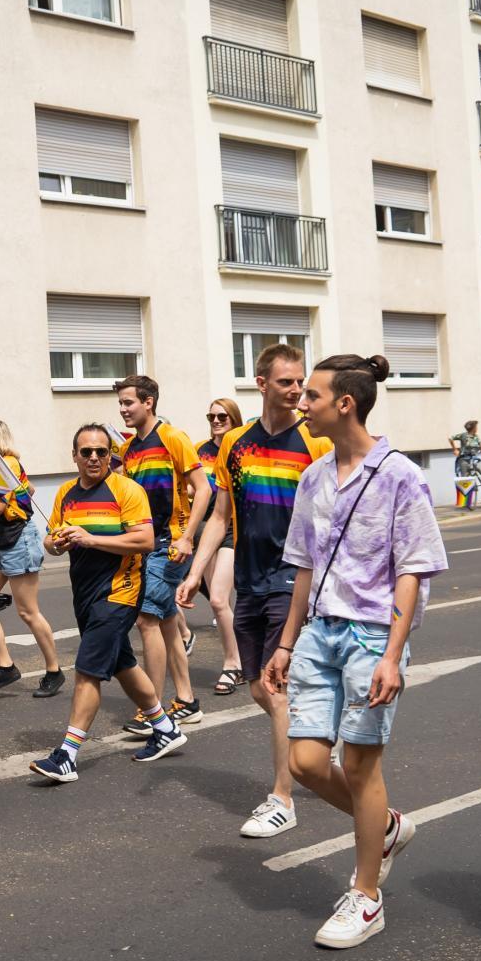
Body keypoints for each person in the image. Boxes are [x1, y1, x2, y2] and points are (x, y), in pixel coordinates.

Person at [262, 355, 446, 949]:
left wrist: (393, 655)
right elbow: (305, 566)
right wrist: (286, 643)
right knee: (306, 764)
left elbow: (413, 570)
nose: (300, 402)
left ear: (345, 403)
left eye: (310, 395)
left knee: (363, 765)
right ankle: (385, 827)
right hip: (319, 629)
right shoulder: (314, 477)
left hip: (372, 634)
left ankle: (366, 895)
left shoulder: (400, 475)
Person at [178, 344, 331, 839]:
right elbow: (222, 516)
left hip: (295, 577)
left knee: (272, 686)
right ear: (262, 384)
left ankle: (282, 798)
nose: (296, 391)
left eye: (301, 383)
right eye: (286, 382)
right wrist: (196, 571)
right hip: (250, 577)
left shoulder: (316, 442)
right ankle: (309, 735)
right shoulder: (235, 444)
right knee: (256, 688)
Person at [28, 425, 189, 782]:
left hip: (120, 591)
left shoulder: (127, 490)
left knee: (87, 669)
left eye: (102, 451)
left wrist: (90, 538)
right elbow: (52, 539)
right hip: (84, 592)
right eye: (86, 452)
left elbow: (145, 540)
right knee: (121, 663)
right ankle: (165, 729)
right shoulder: (67, 494)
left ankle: (67, 755)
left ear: (110, 454)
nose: (94, 458)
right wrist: (57, 543)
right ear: (75, 456)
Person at [113, 375, 210, 735]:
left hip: (169, 544)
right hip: (145, 546)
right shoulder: (128, 450)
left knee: (147, 622)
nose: (123, 409)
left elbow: (203, 489)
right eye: (121, 404)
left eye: (129, 403)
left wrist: (187, 538)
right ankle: (186, 701)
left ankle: (150, 710)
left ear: (148, 402)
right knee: (167, 623)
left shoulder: (172, 437)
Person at [0, 420, 62, 697]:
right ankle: (6, 666)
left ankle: (54, 671)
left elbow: (0, 505)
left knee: (27, 612)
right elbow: (28, 492)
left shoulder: (5, 463)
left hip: (19, 538)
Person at [196, 398, 246, 697]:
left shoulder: (241, 448)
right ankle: (241, 657)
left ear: (233, 419)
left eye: (222, 416)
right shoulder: (199, 450)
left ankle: (233, 664)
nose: (215, 420)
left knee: (217, 599)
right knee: (221, 600)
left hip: (232, 529)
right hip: (205, 530)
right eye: (211, 415)